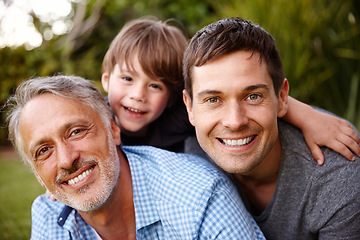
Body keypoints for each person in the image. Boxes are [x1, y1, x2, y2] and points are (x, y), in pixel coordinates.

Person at [6, 75, 265, 239]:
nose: (65, 160)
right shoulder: (49, 214)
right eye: (44, 151)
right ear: (38, 175)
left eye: (76, 132)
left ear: (114, 130)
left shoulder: (200, 194)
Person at [182, 17, 360, 239]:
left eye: (253, 96)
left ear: (282, 97)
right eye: (213, 100)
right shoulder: (178, 143)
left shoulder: (337, 179)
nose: (235, 121)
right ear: (188, 107)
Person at [101, 16, 359, 165]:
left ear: (174, 98)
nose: (138, 94)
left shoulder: (180, 117)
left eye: (155, 85)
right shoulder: (93, 119)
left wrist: (308, 116)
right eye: (126, 78)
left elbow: (240, 96)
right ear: (105, 79)